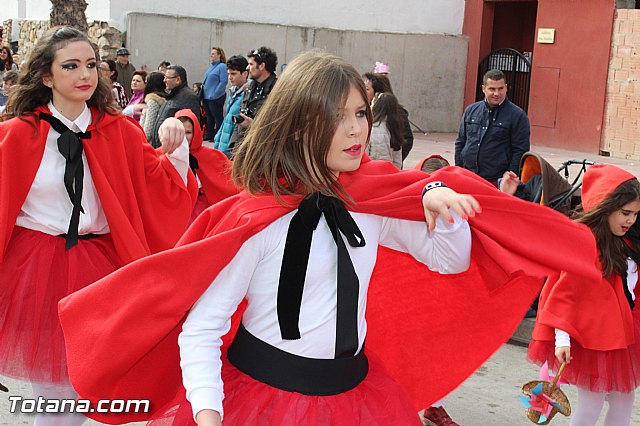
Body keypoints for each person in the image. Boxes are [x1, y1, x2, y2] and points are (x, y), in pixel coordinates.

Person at [58, 50, 602, 426]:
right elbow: (201, 328)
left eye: (361, 114)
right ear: (297, 125)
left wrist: (439, 205)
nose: (357, 130)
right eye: (337, 117)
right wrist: (208, 412)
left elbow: (449, 262)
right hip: (262, 399)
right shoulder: (258, 218)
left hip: (355, 396)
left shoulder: (372, 203)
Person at [0, 26, 196, 425]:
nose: (84, 74)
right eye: (70, 66)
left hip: (102, 268)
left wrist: (178, 145)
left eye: (90, 64)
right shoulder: (17, 134)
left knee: (89, 389)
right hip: (35, 271)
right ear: (46, 76)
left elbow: (160, 188)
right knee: (54, 397)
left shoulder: (119, 131)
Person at [528, 164, 640, 426]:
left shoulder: (629, 241)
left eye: (635, 214)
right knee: (592, 402)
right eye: (625, 213)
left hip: (624, 335)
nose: (631, 220)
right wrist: (562, 340)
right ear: (605, 207)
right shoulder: (586, 243)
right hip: (592, 341)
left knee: (624, 400)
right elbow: (564, 296)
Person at [454, 69, 530, 186]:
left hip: (496, 182)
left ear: (506, 88)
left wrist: (509, 177)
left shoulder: (517, 115)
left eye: (500, 89)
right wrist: (458, 169)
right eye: (492, 89)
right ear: (483, 89)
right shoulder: (471, 111)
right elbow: (461, 142)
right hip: (467, 177)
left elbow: (520, 150)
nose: (496, 93)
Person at [175, 109, 239, 222]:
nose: (184, 137)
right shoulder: (166, 155)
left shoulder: (209, 155)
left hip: (202, 208)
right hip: (178, 208)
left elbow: (231, 179)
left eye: (188, 132)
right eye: (181, 132)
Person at [363, 72, 414, 161]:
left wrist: (394, 165)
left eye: (366, 89)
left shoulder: (396, 113)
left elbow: (406, 140)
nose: (362, 92)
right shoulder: (361, 108)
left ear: (377, 93)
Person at [234, 46, 278, 147]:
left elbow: (278, 127)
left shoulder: (277, 91)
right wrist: (234, 147)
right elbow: (240, 117)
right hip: (243, 148)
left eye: (250, 64)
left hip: (262, 150)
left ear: (261, 66)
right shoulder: (250, 88)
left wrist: (253, 126)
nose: (247, 68)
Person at [150, 65, 201, 148]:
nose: (164, 80)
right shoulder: (173, 95)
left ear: (177, 80)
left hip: (174, 151)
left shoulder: (188, 97)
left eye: (167, 77)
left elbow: (192, 127)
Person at [213, 55, 250, 157]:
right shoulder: (233, 92)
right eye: (228, 73)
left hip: (232, 150)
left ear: (245, 73)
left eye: (233, 74)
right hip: (222, 147)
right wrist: (217, 139)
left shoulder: (248, 94)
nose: (230, 77)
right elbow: (227, 121)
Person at [367, 92, 404, 169]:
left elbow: (365, 155)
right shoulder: (395, 129)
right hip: (389, 172)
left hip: (372, 171)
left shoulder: (371, 127)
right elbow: (397, 160)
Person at [202, 47, 228, 140]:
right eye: (211, 53)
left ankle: (217, 135)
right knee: (209, 117)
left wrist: (216, 94)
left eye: (213, 53)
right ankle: (210, 134)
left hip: (215, 97)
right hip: (207, 96)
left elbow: (223, 81)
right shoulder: (211, 66)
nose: (211, 55)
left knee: (217, 117)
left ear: (219, 55)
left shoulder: (222, 66)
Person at [140, 71, 167, 143]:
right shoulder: (163, 99)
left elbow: (148, 131)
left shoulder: (153, 102)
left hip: (149, 144)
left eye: (146, 82)